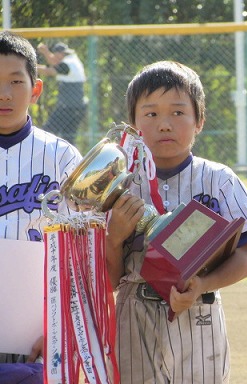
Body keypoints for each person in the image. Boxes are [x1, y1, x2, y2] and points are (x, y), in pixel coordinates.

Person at [105, 60, 247, 383]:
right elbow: (109, 281)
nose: (164, 124)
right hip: (135, 315)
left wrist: (203, 285)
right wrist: (114, 239)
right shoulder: (119, 185)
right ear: (132, 125)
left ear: (199, 121)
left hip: (201, 314)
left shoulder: (218, 179)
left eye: (178, 113)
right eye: (151, 114)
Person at [0, 31, 82, 383]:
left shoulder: (63, 157)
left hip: (42, 329)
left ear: (36, 89)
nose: (3, 93)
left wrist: (60, 323)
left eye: (16, 81)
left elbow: (83, 253)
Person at [37, 41, 87, 144]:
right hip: (77, 107)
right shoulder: (72, 60)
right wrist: (46, 52)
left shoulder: (67, 64)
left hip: (68, 107)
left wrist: (27, 66)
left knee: (48, 131)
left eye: (55, 54)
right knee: (68, 138)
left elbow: (48, 71)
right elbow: (54, 62)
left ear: (61, 54)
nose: (54, 57)